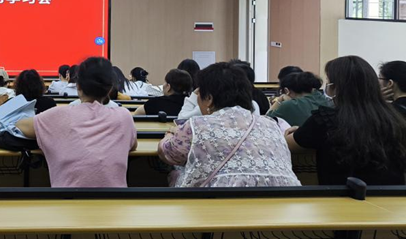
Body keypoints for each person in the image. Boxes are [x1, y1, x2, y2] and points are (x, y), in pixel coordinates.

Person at [158, 62, 300, 188]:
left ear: (209, 98)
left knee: (175, 175)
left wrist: (170, 134)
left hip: (220, 202)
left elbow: (169, 154)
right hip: (284, 200)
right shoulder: (271, 125)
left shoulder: (197, 125)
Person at [15, 57, 137, 188]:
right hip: (115, 199)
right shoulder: (124, 116)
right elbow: (133, 145)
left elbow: (20, 126)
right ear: (109, 89)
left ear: (78, 86)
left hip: (67, 198)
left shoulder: (57, 115)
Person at [286, 56, 406, 186]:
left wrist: (299, 131)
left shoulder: (326, 120)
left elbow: (287, 144)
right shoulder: (395, 119)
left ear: (336, 88)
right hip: (393, 196)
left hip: (341, 196)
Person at [266, 71, 331, 127]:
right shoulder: (326, 100)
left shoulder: (290, 105)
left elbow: (266, 121)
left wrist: (280, 100)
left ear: (286, 91)